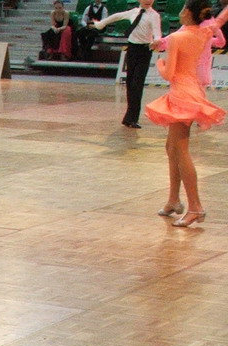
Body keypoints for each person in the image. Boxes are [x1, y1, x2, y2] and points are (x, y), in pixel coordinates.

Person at [145, 0, 226, 226]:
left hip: (182, 94)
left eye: (182, 8)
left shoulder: (178, 37)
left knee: (180, 150)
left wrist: (160, 64)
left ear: (188, 13)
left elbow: (169, 74)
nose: (180, 12)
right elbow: (220, 20)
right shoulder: (203, 33)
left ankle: (196, 207)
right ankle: (174, 200)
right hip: (191, 90)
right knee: (172, 147)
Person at [93, 0, 162, 128]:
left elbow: (157, 32)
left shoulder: (154, 15)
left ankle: (133, 118)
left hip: (144, 50)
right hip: (132, 49)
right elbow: (117, 16)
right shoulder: (133, 12)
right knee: (130, 83)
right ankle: (129, 117)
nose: (148, 1)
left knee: (137, 84)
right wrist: (101, 24)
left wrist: (157, 40)